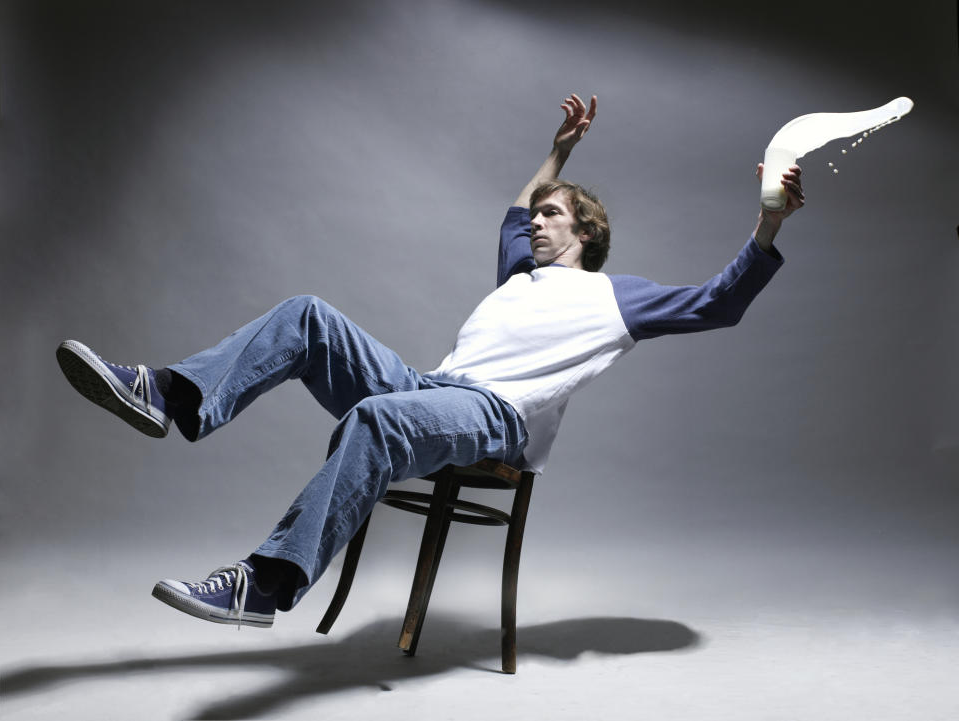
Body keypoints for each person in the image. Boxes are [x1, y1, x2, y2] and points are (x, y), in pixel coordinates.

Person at [56, 93, 804, 629]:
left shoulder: (616, 298)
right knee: (308, 314)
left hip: (495, 416)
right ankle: (171, 396)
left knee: (379, 420)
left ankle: (264, 584)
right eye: (539, 211)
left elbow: (719, 301)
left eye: (554, 211)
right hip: (433, 388)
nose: (536, 217)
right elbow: (513, 211)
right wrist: (560, 151)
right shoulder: (520, 276)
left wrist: (768, 220)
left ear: (585, 230)